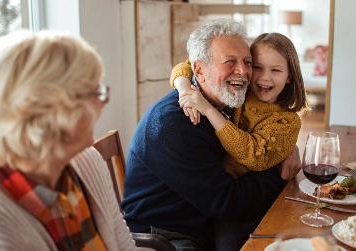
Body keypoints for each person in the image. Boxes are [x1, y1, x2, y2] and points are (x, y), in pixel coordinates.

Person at [0, 31, 143, 251]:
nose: (102, 103)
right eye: (96, 92)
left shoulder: (88, 161)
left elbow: (125, 247)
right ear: (49, 112)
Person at [122, 19, 301, 251]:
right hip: (168, 235)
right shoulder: (176, 124)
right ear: (199, 70)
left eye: (248, 62)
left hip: (206, 218)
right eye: (230, 62)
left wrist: (282, 149)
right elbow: (230, 203)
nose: (244, 72)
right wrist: (278, 170)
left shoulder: (225, 101)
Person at [172, 32, 307, 178]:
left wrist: (208, 109)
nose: (264, 77)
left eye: (275, 70)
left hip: (247, 193)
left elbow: (254, 156)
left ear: (289, 76)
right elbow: (188, 65)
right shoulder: (240, 90)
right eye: (257, 67)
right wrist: (184, 88)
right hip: (210, 179)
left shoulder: (288, 122)